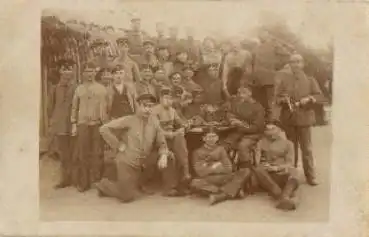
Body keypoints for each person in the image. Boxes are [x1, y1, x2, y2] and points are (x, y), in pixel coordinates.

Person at [95, 92, 171, 202]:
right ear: (138, 106)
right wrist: (118, 145)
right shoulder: (128, 120)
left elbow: (161, 141)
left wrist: (163, 155)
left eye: (150, 106)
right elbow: (103, 129)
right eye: (144, 106)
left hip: (144, 161)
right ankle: (104, 185)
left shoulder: (154, 121)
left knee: (170, 156)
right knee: (127, 197)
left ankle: (169, 188)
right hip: (127, 162)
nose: (147, 110)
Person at [274, 53, 324, 186]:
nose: (295, 64)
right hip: (289, 119)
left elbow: (320, 97)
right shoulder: (284, 80)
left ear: (303, 64)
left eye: (298, 62)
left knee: (307, 149)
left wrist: (309, 98)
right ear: (289, 64)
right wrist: (283, 99)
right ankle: (292, 176)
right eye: (292, 62)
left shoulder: (310, 79)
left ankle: (310, 176)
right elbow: (277, 99)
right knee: (291, 148)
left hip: (304, 119)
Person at [190, 127, 252, 205]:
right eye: (209, 137)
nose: (211, 139)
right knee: (195, 183)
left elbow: (228, 168)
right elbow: (200, 172)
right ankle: (232, 191)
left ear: (217, 138)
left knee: (245, 171)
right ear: (204, 138)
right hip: (208, 180)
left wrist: (208, 167)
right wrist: (216, 166)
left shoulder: (221, 149)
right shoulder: (197, 152)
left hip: (224, 178)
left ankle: (221, 196)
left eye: (213, 136)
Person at [71, 65, 109, 192]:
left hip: (97, 124)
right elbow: (74, 107)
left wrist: (104, 124)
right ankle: (84, 182)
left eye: (92, 71)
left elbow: (104, 108)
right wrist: (73, 123)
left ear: (95, 72)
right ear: (83, 73)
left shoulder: (101, 89)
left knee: (97, 153)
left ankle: (98, 181)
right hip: (82, 124)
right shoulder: (79, 89)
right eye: (86, 71)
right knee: (83, 153)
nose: (89, 74)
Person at [148, 88, 192, 195]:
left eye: (170, 98)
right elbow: (156, 131)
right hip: (157, 141)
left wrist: (186, 125)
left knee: (181, 143)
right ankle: (172, 186)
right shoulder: (154, 111)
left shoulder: (172, 110)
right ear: (160, 99)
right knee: (171, 153)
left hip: (172, 139)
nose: (168, 100)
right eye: (166, 98)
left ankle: (183, 180)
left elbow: (181, 123)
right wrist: (173, 134)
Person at [252, 122, 299, 211]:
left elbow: (290, 163)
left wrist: (277, 168)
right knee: (258, 169)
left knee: (294, 172)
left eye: (273, 129)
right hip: (267, 175)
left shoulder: (288, 144)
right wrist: (265, 164)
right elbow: (257, 162)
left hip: (281, 172)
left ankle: (284, 197)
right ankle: (280, 195)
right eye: (267, 130)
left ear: (280, 130)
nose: (270, 132)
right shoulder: (261, 142)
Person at [252, 29, 290, 122]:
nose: (260, 35)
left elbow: (286, 55)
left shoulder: (274, 44)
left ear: (268, 34)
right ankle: (263, 124)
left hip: (270, 78)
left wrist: (277, 66)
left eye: (262, 33)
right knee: (261, 103)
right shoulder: (257, 47)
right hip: (258, 80)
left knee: (271, 104)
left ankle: (272, 124)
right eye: (259, 33)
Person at [49, 65, 77, 189]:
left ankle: (75, 178)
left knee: (75, 153)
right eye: (64, 74)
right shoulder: (54, 89)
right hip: (60, 126)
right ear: (60, 74)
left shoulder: (76, 88)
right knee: (64, 155)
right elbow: (50, 108)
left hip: (73, 125)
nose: (67, 77)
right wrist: (54, 123)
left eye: (69, 75)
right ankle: (65, 179)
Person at [223, 86, 265, 168]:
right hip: (238, 132)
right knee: (224, 146)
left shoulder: (258, 107)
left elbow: (257, 127)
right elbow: (230, 113)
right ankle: (229, 167)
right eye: (239, 93)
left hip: (253, 134)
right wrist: (231, 119)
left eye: (243, 93)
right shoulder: (239, 104)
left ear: (250, 93)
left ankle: (246, 169)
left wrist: (241, 124)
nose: (240, 95)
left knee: (242, 146)